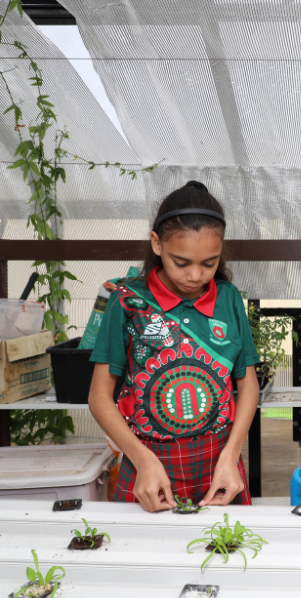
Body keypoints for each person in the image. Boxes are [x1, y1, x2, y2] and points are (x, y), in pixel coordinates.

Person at [89, 181, 261, 512]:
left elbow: (248, 384)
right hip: (149, 464)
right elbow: (98, 396)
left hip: (218, 464)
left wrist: (231, 453)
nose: (195, 275)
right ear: (156, 243)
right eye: (181, 263)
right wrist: (141, 459)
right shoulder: (127, 302)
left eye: (209, 263)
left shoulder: (227, 299)